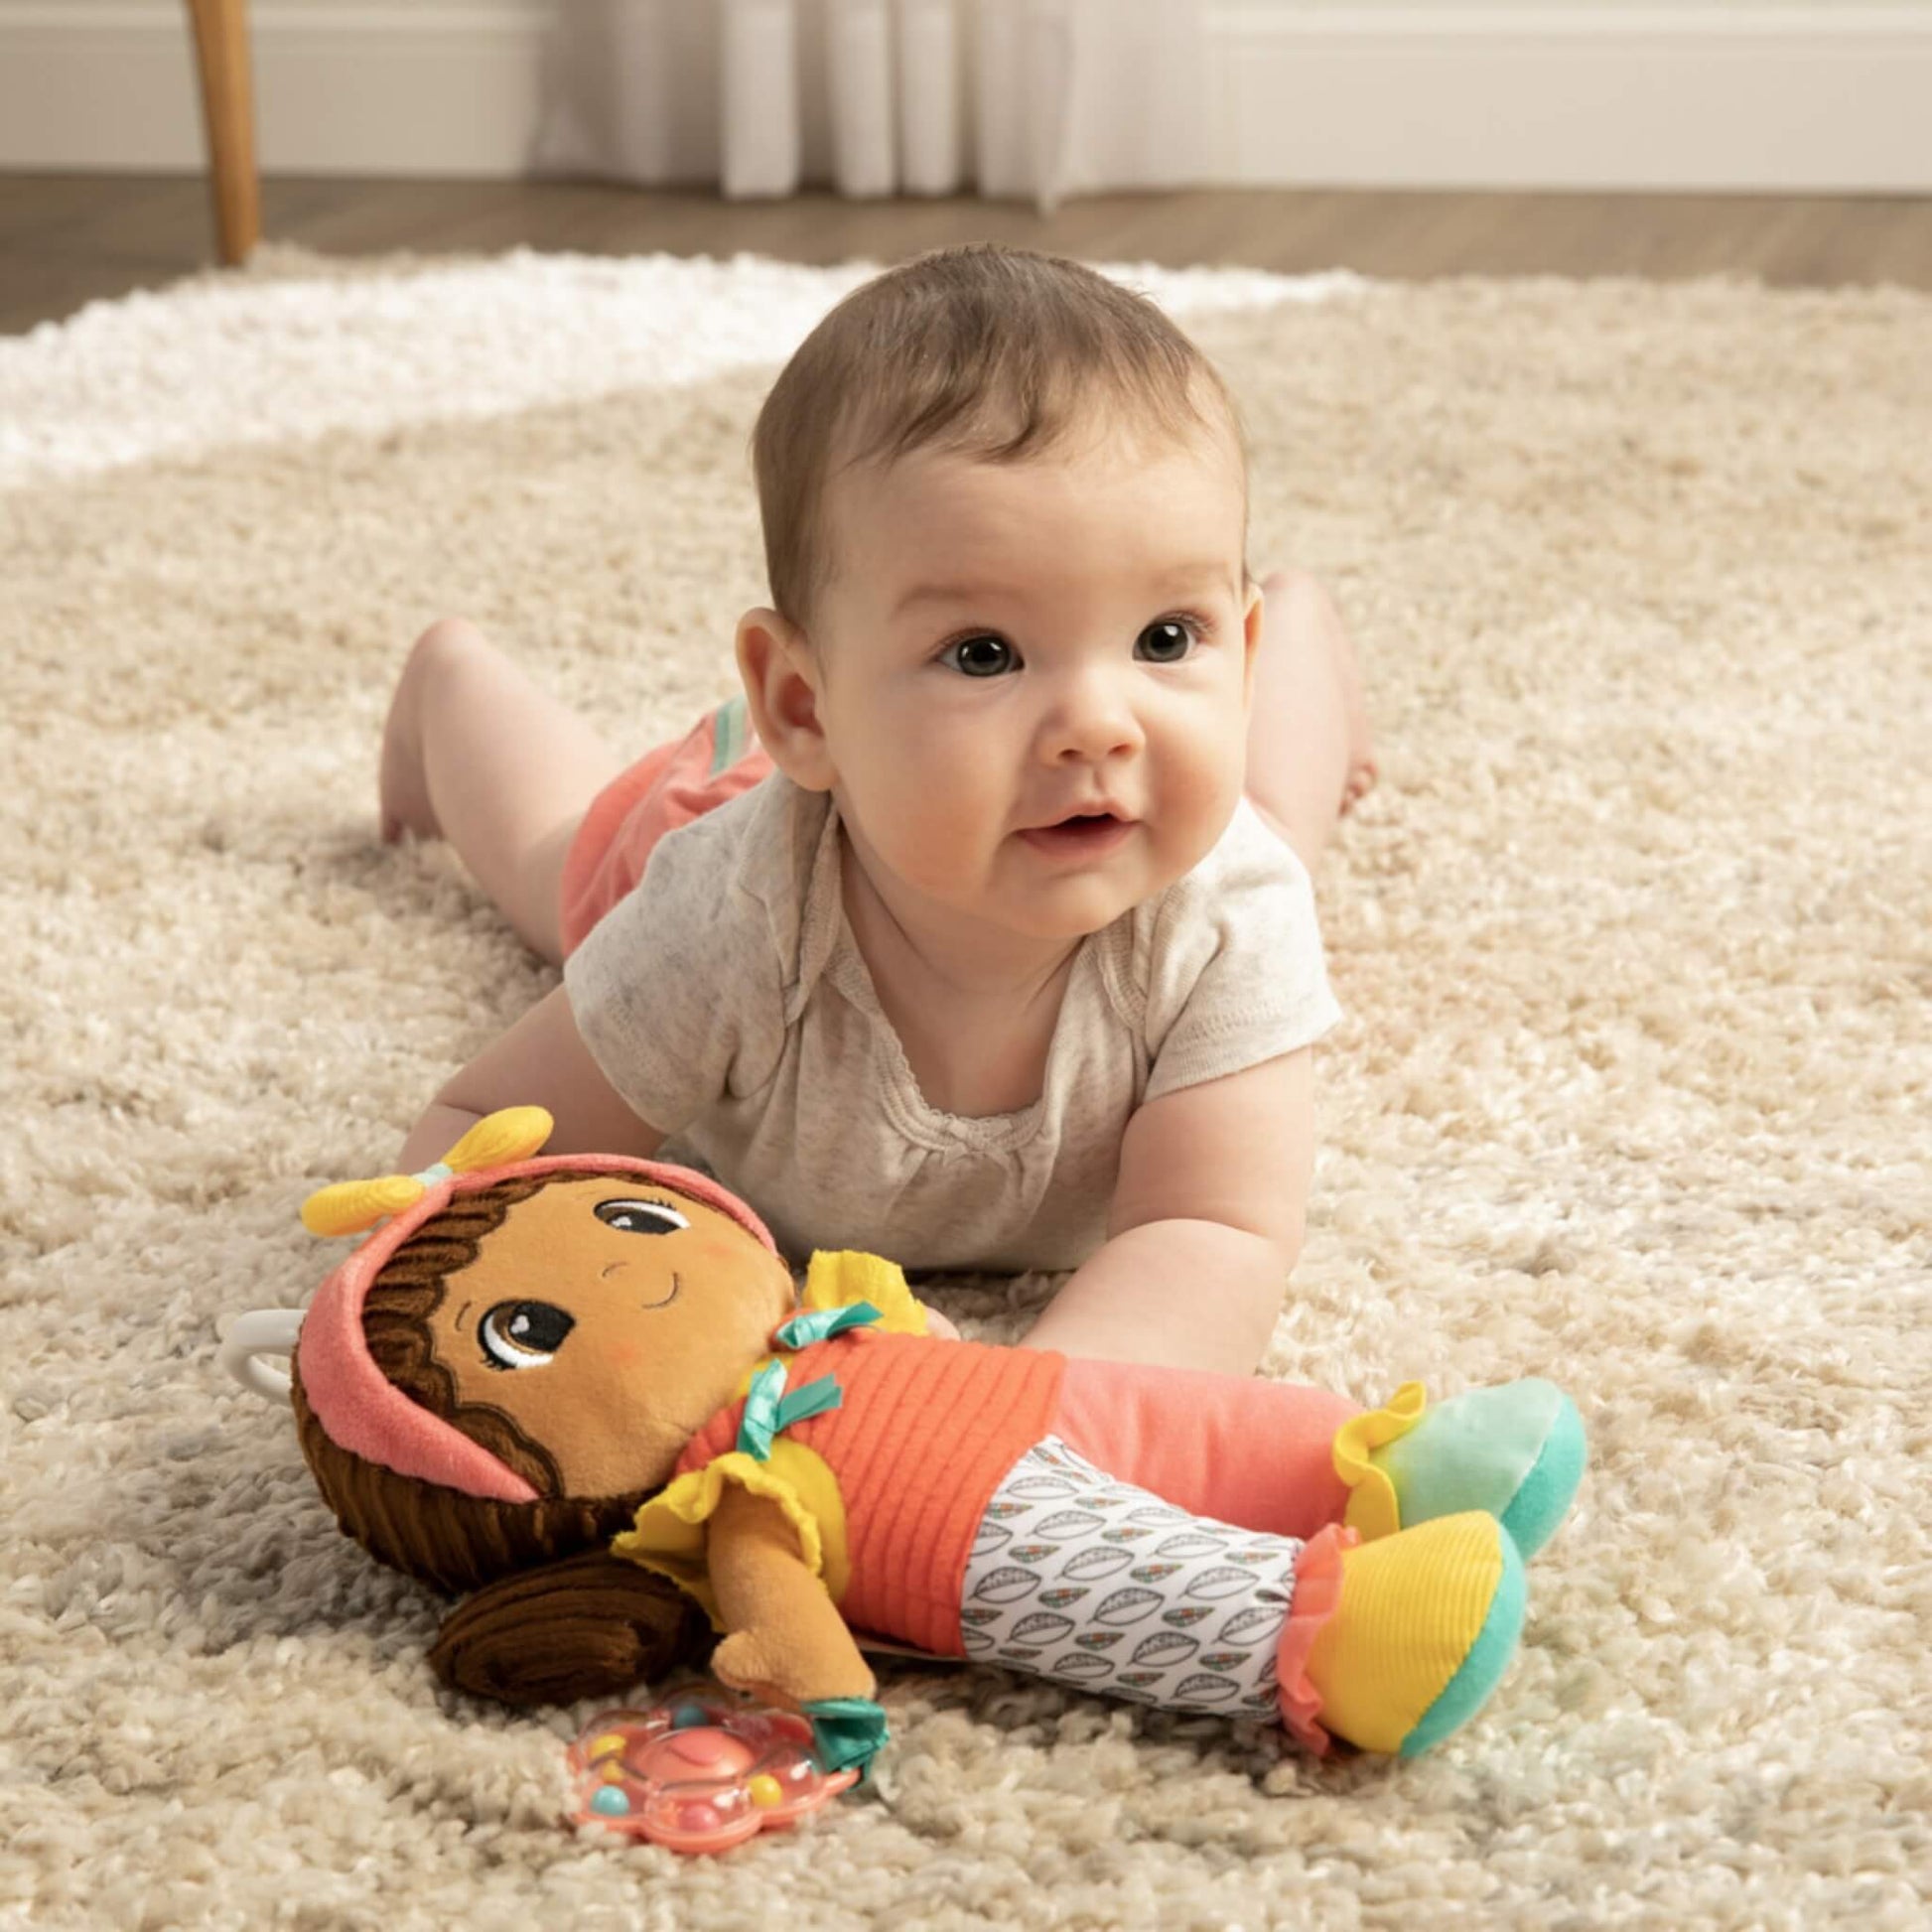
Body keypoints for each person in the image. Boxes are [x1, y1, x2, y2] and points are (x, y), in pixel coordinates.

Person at [376, 243, 1376, 1378]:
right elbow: (482, 1131)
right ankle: (448, 682)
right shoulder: (726, 917)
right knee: (562, 868)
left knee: (1270, 829)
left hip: (1090, 817)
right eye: (983, 652)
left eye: (1165, 637)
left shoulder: (1222, 914)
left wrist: (994, 1418)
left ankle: (1294, 617)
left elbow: (1207, 1234)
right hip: (752, 805)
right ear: (801, 703)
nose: (1099, 722)